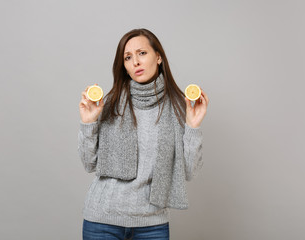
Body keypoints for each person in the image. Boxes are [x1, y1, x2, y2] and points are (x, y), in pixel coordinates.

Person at [78, 28, 209, 240]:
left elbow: (190, 171)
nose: (135, 62)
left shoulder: (177, 107)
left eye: (142, 53)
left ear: (158, 57)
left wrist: (193, 126)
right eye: (128, 58)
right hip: (102, 221)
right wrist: (88, 122)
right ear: (125, 67)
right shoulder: (108, 104)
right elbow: (88, 163)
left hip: (152, 225)